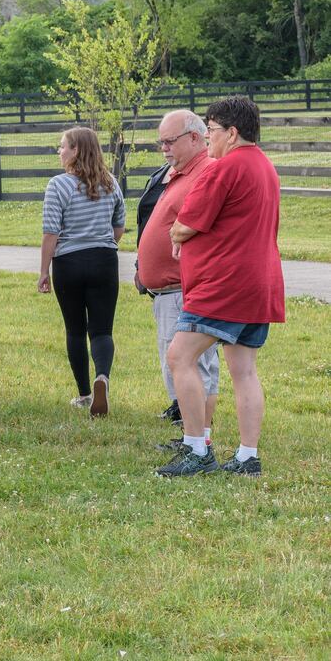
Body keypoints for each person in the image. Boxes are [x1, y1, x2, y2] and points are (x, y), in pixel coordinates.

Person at [158, 96, 284, 477]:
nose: (208, 137)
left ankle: (198, 449)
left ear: (232, 133)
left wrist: (180, 234)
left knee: (180, 357)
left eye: (211, 130)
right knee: (243, 370)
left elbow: (185, 224)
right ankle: (248, 456)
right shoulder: (266, 167)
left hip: (223, 284)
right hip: (259, 283)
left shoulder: (224, 169)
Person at [134, 110, 219, 438]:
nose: (164, 149)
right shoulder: (178, 172)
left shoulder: (206, 173)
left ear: (195, 138)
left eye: (170, 141)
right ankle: (195, 437)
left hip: (185, 289)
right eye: (161, 142)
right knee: (183, 365)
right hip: (168, 291)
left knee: (191, 366)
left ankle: (197, 441)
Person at [38, 127, 125, 417]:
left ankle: (85, 394)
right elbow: (119, 225)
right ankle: (103, 376)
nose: (59, 151)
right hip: (104, 260)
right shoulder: (111, 182)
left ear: (75, 151)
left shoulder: (58, 185)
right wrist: (102, 245)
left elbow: (51, 232)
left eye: (62, 146)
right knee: (101, 330)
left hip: (69, 263)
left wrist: (43, 272)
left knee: (75, 330)